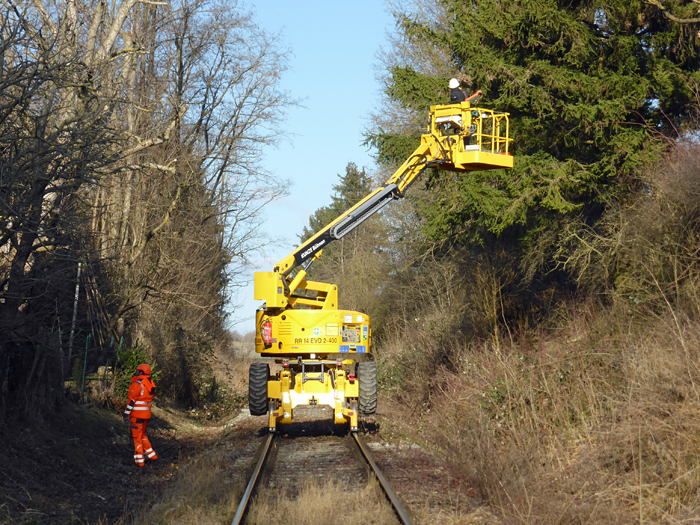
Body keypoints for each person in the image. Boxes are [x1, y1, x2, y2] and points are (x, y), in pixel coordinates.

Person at [123, 363, 158, 467]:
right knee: (143, 436)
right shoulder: (150, 383)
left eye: (138, 370)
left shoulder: (137, 384)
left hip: (137, 415)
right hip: (146, 415)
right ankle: (152, 456)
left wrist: (126, 414)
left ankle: (140, 462)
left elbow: (131, 401)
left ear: (141, 372)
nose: (136, 371)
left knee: (137, 438)